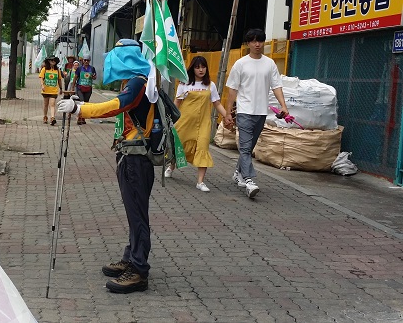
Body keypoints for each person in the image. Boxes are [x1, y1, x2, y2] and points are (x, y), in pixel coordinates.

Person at [58, 39, 157, 294]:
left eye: (117, 53)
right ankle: (131, 257)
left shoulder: (138, 82)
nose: (111, 57)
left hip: (136, 159)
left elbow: (115, 106)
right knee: (134, 213)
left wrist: (80, 108)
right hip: (131, 155)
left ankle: (138, 271)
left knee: (137, 215)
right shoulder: (136, 80)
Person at [224, 28, 289, 199]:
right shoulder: (241, 64)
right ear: (248, 44)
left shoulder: (270, 64)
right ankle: (249, 180)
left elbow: (276, 86)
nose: (257, 44)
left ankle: (238, 172)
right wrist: (228, 113)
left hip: (261, 112)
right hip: (245, 111)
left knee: (249, 147)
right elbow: (232, 90)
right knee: (245, 148)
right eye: (253, 41)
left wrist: (283, 105)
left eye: (260, 40)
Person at [164, 56, 231, 192]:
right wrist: (169, 117)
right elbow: (177, 103)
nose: (201, 70)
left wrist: (227, 115)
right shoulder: (184, 84)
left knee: (202, 148)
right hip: (185, 122)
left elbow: (217, 103)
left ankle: (200, 182)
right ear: (192, 69)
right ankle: (171, 166)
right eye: (197, 67)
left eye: (203, 67)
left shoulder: (210, 85)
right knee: (179, 145)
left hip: (204, 124)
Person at [73, 57, 97, 125]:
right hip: (80, 88)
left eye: (88, 60)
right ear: (83, 61)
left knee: (86, 104)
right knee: (82, 102)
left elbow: (95, 77)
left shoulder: (92, 68)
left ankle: (83, 118)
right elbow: (75, 77)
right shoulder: (80, 68)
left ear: (89, 61)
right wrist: (73, 87)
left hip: (88, 89)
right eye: (85, 60)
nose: (86, 61)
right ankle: (79, 118)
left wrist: (93, 76)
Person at [39, 56, 63, 125]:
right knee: (46, 104)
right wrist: (42, 85)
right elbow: (41, 77)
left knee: (52, 104)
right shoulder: (44, 69)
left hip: (54, 90)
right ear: (48, 61)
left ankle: (52, 118)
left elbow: (59, 80)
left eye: (54, 60)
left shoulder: (57, 70)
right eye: (51, 60)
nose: (53, 61)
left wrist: (61, 88)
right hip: (46, 90)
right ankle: (45, 116)